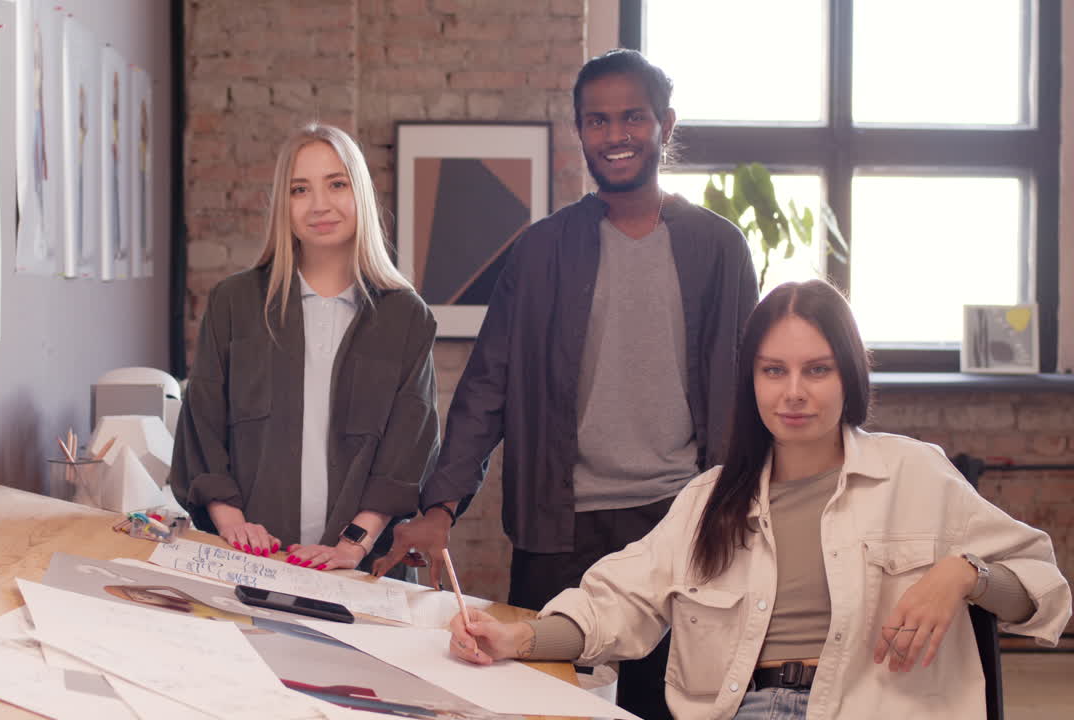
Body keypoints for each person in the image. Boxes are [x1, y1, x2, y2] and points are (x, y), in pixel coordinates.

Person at [446, 280, 1072, 720]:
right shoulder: (709, 501)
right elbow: (615, 603)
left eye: (816, 370)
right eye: (774, 371)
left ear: (849, 375)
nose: (794, 393)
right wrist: (516, 639)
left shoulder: (916, 474)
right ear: (751, 381)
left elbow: (1044, 588)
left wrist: (965, 573)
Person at [372, 49, 758, 716]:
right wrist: (439, 508)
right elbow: (486, 387)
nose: (615, 136)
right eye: (598, 121)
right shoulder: (542, 249)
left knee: (670, 706)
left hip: (683, 521)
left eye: (632, 118)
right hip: (560, 528)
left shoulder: (718, 247)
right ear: (580, 131)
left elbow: (754, 388)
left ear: (664, 124)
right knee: (547, 703)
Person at [169, 123, 439, 574]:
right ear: (284, 204)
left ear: (361, 194)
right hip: (248, 559)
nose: (319, 205)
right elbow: (203, 426)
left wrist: (354, 543)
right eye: (299, 189)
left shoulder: (406, 315)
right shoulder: (233, 303)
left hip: (362, 567)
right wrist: (234, 525)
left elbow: (410, 448)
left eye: (336, 184)